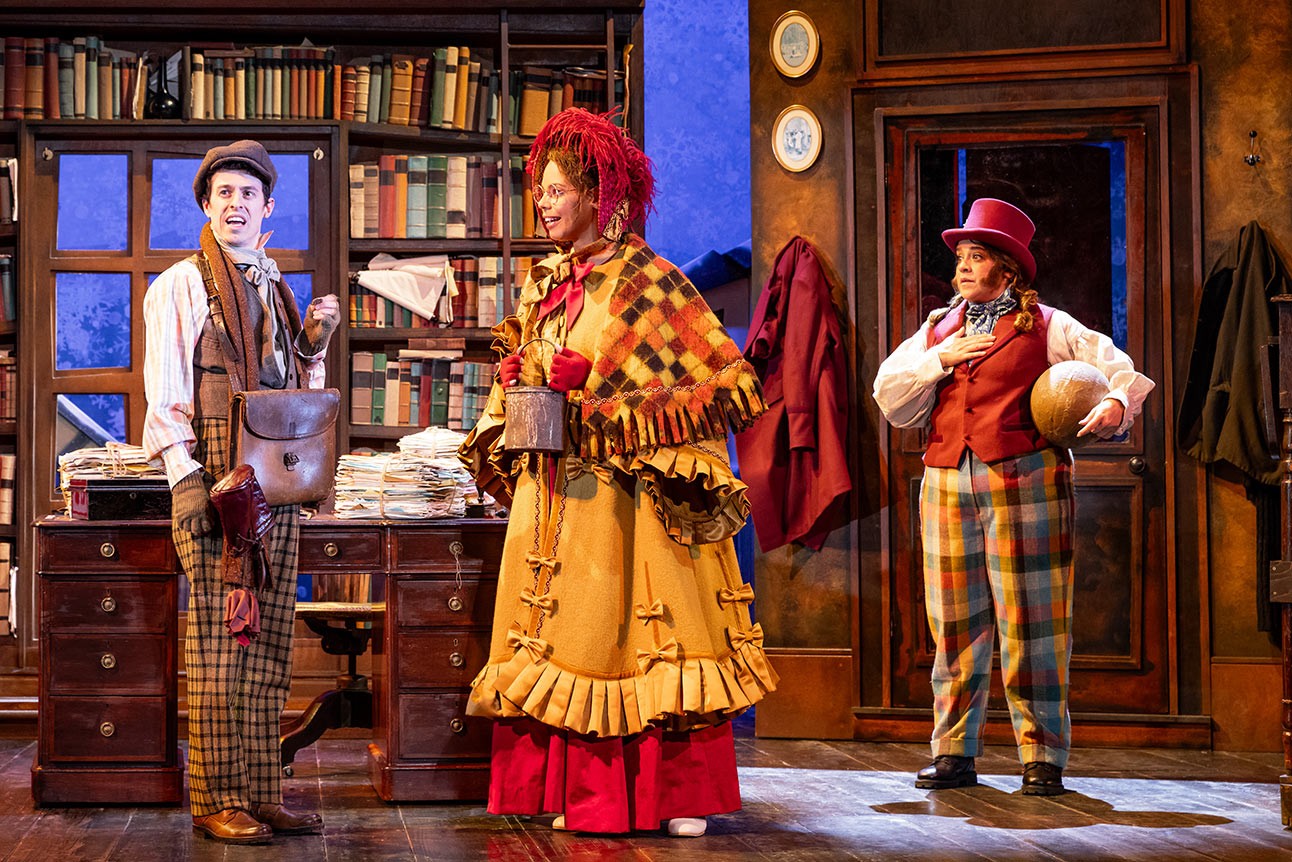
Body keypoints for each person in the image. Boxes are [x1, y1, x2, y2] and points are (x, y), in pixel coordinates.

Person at [459, 108, 777, 836]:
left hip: (628, 503)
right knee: (564, 635)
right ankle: (579, 789)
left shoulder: (650, 283)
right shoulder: (547, 282)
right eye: (540, 189)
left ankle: (673, 794)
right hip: (555, 492)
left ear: (599, 196)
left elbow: (719, 384)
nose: (543, 202)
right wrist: (522, 375)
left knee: (644, 635)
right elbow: (533, 371)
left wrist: (598, 385)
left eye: (557, 190)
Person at [872, 198, 1154, 795]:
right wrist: (938, 360)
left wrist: (1113, 402)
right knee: (954, 624)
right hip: (946, 483)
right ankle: (953, 752)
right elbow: (889, 396)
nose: (962, 267)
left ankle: (1042, 755)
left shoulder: (1049, 325)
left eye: (977, 256)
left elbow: (1116, 367)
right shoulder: (938, 328)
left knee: (1034, 622)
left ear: (1008, 268)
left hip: (1025, 481)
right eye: (961, 257)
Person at [142, 140, 340, 843]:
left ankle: (260, 794)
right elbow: (166, 394)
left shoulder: (276, 288)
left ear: (267, 208)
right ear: (206, 205)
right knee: (222, 644)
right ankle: (216, 798)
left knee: (270, 645)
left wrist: (313, 343)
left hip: (274, 483)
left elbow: (294, 401)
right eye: (222, 193)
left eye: (247, 194)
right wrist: (186, 481)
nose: (235, 204)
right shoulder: (181, 284)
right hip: (218, 481)